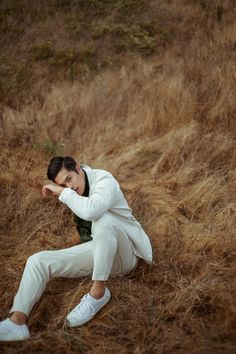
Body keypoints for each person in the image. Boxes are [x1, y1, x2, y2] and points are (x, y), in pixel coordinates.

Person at [0, 156, 153, 341]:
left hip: (126, 255)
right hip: (100, 250)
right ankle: (17, 322)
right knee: (38, 261)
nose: (69, 187)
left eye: (69, 179)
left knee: (103, 220)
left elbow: (92, 211)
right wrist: (65, 192)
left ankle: (98, 293)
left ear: (78, 169)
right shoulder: (75, 191)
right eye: (63, 185)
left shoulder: (104, 180)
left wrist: (62, 193)